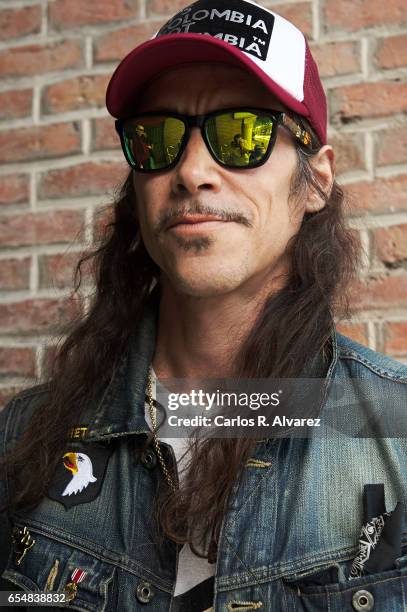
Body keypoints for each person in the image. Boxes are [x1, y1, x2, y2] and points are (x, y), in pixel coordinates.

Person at [1, 0, 407, 610]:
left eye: (242, 132)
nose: (191, 170)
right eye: (156, 136)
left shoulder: (397, 436)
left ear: (316, 180)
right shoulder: (23, 440)